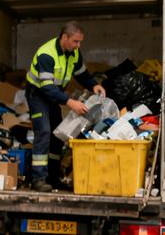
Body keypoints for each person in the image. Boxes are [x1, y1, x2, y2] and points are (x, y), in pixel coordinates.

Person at [24, 21, 105, 192]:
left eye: (80, 42)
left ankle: (52, 178)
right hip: (38, 95)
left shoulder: (74, 53)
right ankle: (38, 179)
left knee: (58, 134)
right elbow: (46, 87)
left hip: (53, 96)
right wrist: (70, 102)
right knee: (44, 131)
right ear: (64, 37)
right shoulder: (47, 54)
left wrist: (93, 85)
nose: (78, 45)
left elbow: (81, 74)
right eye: (76, 41)